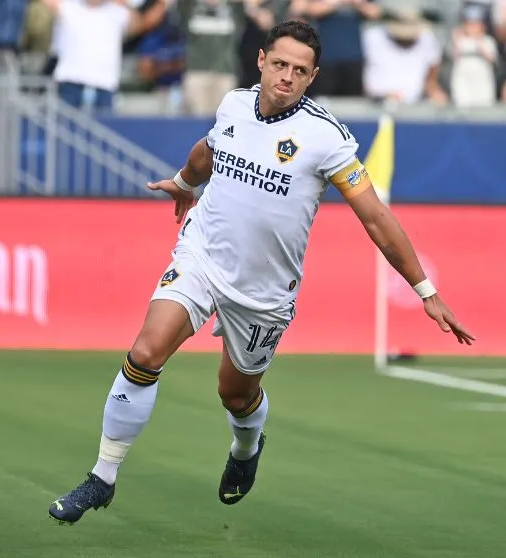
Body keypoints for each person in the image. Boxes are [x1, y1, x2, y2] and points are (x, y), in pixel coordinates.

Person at [48, 20, 474, 524]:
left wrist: (424, 289)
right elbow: (209, 150)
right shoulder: (232, 105)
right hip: (201, 258)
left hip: (264, 292)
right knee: (145, 352)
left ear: (312, 77)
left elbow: (377, 218)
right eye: (280, 65)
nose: (287, 77)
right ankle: (102, 478)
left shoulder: (326, 138)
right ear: (261, 61)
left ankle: (246, 449)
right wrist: (186, 182)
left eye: (299, 70)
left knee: (237, 392)